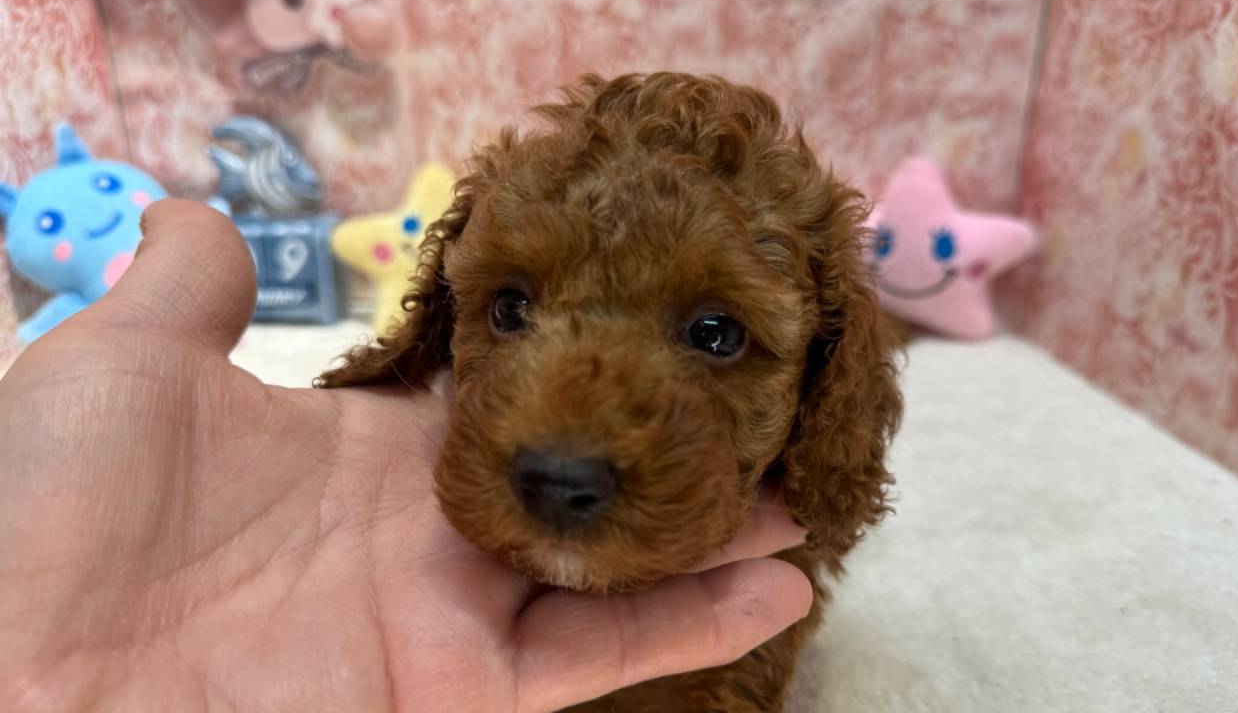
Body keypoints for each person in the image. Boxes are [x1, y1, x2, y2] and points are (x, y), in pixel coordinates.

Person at [0, 200, 814, 712]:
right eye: (510, 310)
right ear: (439, 317)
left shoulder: (773, 559)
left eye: (716, 335)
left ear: (831, 372)